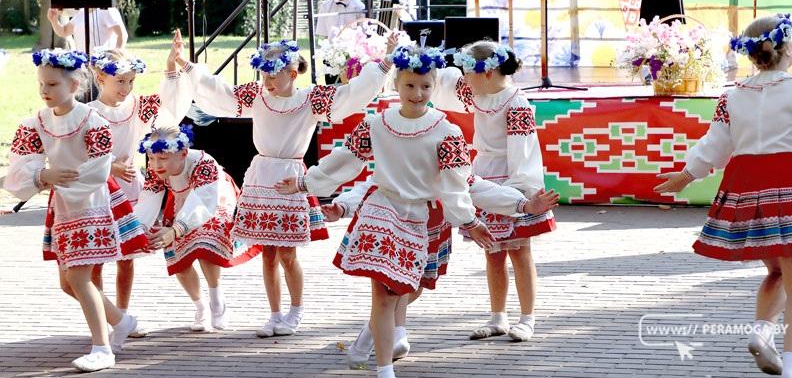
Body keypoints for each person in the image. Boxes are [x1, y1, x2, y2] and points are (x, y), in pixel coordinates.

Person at [275, 44, 495, 378]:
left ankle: (369, 336)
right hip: (383, 214)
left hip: (423, 217)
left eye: (424, 86)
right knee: (383, 293)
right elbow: (344, 161)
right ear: (396, 85)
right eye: (409, 85)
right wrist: (307, 183)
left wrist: (470, 220)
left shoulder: (447, 131)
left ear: (434, 86)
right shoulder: (377, 125)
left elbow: (455, 184)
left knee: (409, 289)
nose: (417, 93)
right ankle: (383, 369)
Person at [175, 35, 396, 338]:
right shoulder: (257, 96)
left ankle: (295, 310)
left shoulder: (310, 99)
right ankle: (274, 313)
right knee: (267, 253)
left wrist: (384, 63)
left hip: (289, 180)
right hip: (261, 176)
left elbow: (350, 94)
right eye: (263, 73)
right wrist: (187, 67)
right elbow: (221, 93)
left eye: (273, 74)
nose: (267, 80)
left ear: (292, 74)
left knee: (288, 255)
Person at [655, 14, 792, 377]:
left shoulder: (732, 96)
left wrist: (686, 175)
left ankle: (760, 333)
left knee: (779, 271)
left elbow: (714, 146)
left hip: (750, 188)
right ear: (787, 50)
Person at [327, 173, 558, 369]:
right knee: (387, 289)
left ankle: (373, 332)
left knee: (412, 287)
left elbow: (471, 185)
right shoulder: (385, 127)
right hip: (388, 217)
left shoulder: (444, 134)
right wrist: (343, 204)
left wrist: (523, 205)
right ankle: (383, 359)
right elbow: (372, 179)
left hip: (430, 220)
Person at [5, 49, 143, 372]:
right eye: (42, 84)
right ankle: (121, 320)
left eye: (52, 84)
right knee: (68, 283)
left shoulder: (91, 120)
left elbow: (99, 167)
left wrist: (58, 179)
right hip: (64, 205)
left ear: (75, 83)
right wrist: (42, 175)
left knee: (79, 277)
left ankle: (102, 348)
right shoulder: (37, 122)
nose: (44, 91)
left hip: (91, 201)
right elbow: (23, 166)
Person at [426, 41, 557, 343]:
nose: (463, 79)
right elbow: (443, 84)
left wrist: (520, 197)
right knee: (493, 252)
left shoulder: (517, 104)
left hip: (513, 178)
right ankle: (498, 316)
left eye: (467, 73)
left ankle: (527, 318)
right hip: (484, 173)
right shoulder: (478, 93)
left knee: (520, 251)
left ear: (487, 73)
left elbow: (523, 154)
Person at [86, 31, 195, 330]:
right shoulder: (89, 113)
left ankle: (123, 313)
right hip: (99, 190)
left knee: (126, 257)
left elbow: (171, 109)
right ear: (100, 78)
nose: (126, 87)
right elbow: (79, 152)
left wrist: (171, 65)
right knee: (96, 259)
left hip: (130, 188)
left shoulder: (137, 106)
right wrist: (109, 167)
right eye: (120, 81)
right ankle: (104, 317)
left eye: (131, 81)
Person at [134, 125, 260, 332]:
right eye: (152, 158)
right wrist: (139, 229)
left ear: (183, 153)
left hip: (214, 198)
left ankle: (217, 301)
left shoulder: (204, 163)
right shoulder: (155, 168)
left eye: (163, 159)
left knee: (203, 242)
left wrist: (175, 229)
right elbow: (149, 197)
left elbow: (203, 200)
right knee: (178, 257)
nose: (156, 164)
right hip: (182, 201)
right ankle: (200, 307)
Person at [47, 7, 128, 53]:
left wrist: (115, 58)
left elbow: (122, 35)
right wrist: (54, 21)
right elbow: (63, 31)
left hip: (103, 67)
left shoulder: (106, 9)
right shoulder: (81, 12)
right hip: (84, 67)